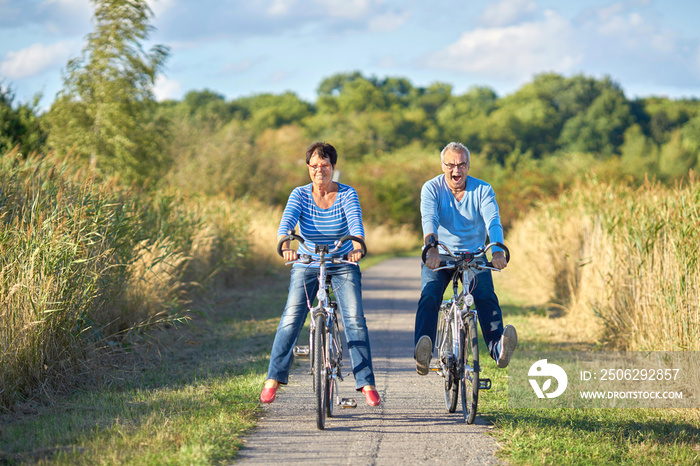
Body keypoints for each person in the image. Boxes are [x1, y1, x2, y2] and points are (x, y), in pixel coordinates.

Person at [260, 142, 380, 407]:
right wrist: (286, 246)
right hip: (307, 262)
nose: (319, 171)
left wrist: (358, 247)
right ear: (308, 168)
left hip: (341, 261)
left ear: (333, 167)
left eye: (324, 165)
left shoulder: (348, 194)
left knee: (354, 319)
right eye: (314, 166)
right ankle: (274, 378)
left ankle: (366, 382)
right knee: (291, 317)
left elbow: (355, 225)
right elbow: (287, 225)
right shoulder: (299, 195)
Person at [414, 142, 517, 375]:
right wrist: (431, 248)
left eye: (461, 164)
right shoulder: (431, 188)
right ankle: (423, 353)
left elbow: (493, 221)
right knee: (429, 295)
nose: (456, 170)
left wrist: (497, 251)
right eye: (450, 165)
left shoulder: (483, 189)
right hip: (440, 254)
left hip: (474, 254)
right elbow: (428, 219)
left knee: (485, 297)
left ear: (468, 166)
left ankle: (498, 348)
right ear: (443, 166)